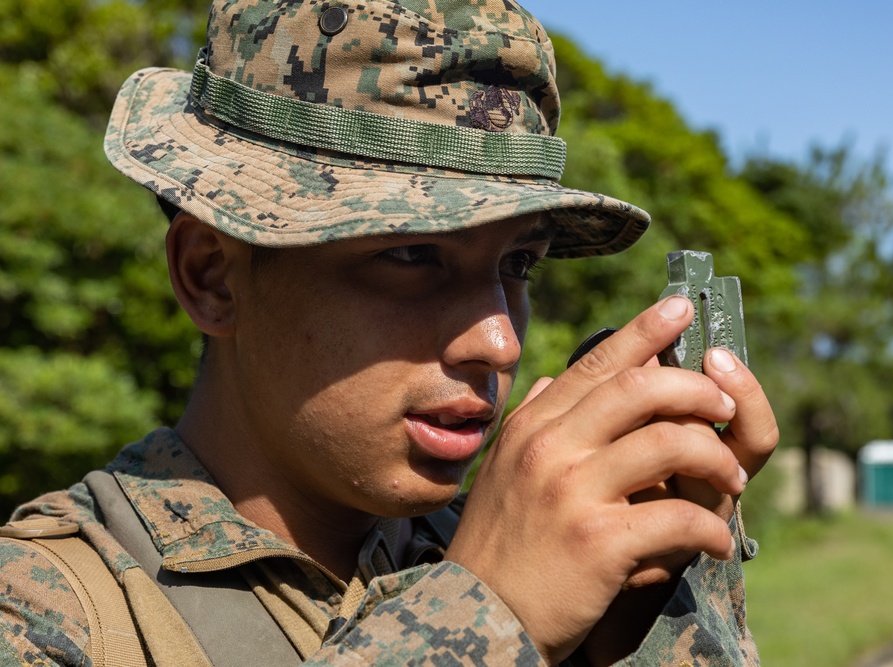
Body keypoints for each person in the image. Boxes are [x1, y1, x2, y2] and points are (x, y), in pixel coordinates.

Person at [0, 0, 778, 665]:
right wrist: (484, 615)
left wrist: (656, 608)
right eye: (412, 254)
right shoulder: (43, 610)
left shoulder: (531, 553)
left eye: (519, 262)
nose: (499, 342)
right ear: (213, 274)